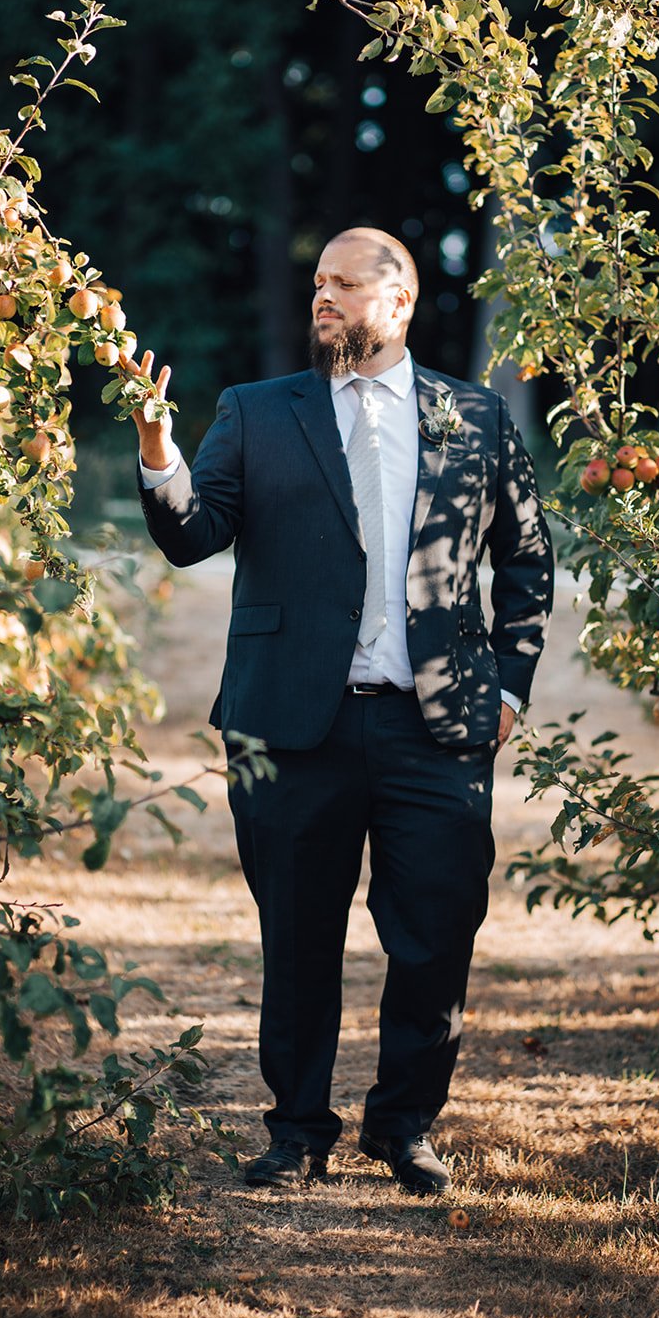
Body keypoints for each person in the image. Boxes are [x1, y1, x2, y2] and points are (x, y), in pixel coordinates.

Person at [130, 227, 553, 1195]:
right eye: (315, 281)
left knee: (435, 939)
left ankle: (402, 1126)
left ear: (397, 301)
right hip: (289, 725)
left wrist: (509, 686)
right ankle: (295, 1131)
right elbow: (193, 536)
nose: (321, 297)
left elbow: (525, 560)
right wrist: (159, 450)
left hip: (435, 726)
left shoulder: (474, 416)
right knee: (298, 934)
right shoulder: (255, 410)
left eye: (343, 284)